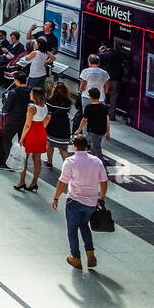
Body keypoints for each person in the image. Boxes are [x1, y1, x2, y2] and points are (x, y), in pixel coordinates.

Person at [52, 134, 108, 270]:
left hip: (74, 200)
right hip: (91, 202)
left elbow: (62, 182)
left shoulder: (70, 162)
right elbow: (104, 182)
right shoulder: (96, 161)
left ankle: (75, 258)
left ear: (74, 146)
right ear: (87, 146)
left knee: (72, 229)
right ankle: (90, 253)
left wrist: (56, 197)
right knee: (84, 225)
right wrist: (101, 198)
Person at [14, 85, 49, 193]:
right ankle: (34, 182)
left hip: (32, 132)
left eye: (31, 93)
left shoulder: (32, 108)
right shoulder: (45, 106)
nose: (30, 94)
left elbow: (27, 125)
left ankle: (22, 181)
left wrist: (22, 138)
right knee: (37, 159)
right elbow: (46, 119)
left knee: (24, 158)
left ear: (35, 95)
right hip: (41, 132)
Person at [44, 82, 74, 170]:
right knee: (63, 149)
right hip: (64, 126)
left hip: (52, 126)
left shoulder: (50, 101)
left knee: (49, 145)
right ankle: (68, 168)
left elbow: (48, 115)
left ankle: (49, 162)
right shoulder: (68, 102)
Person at [77, 87, 111, 162]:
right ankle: (93, 162)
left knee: (96, 148)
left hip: (94, 131)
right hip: (102, 130)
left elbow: (84, 120)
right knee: (93, 147)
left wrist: (79, 129)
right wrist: (108, 133)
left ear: (90, 97)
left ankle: (102, 167)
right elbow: (107, 120)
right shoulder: (103, 107)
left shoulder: (89, 107)